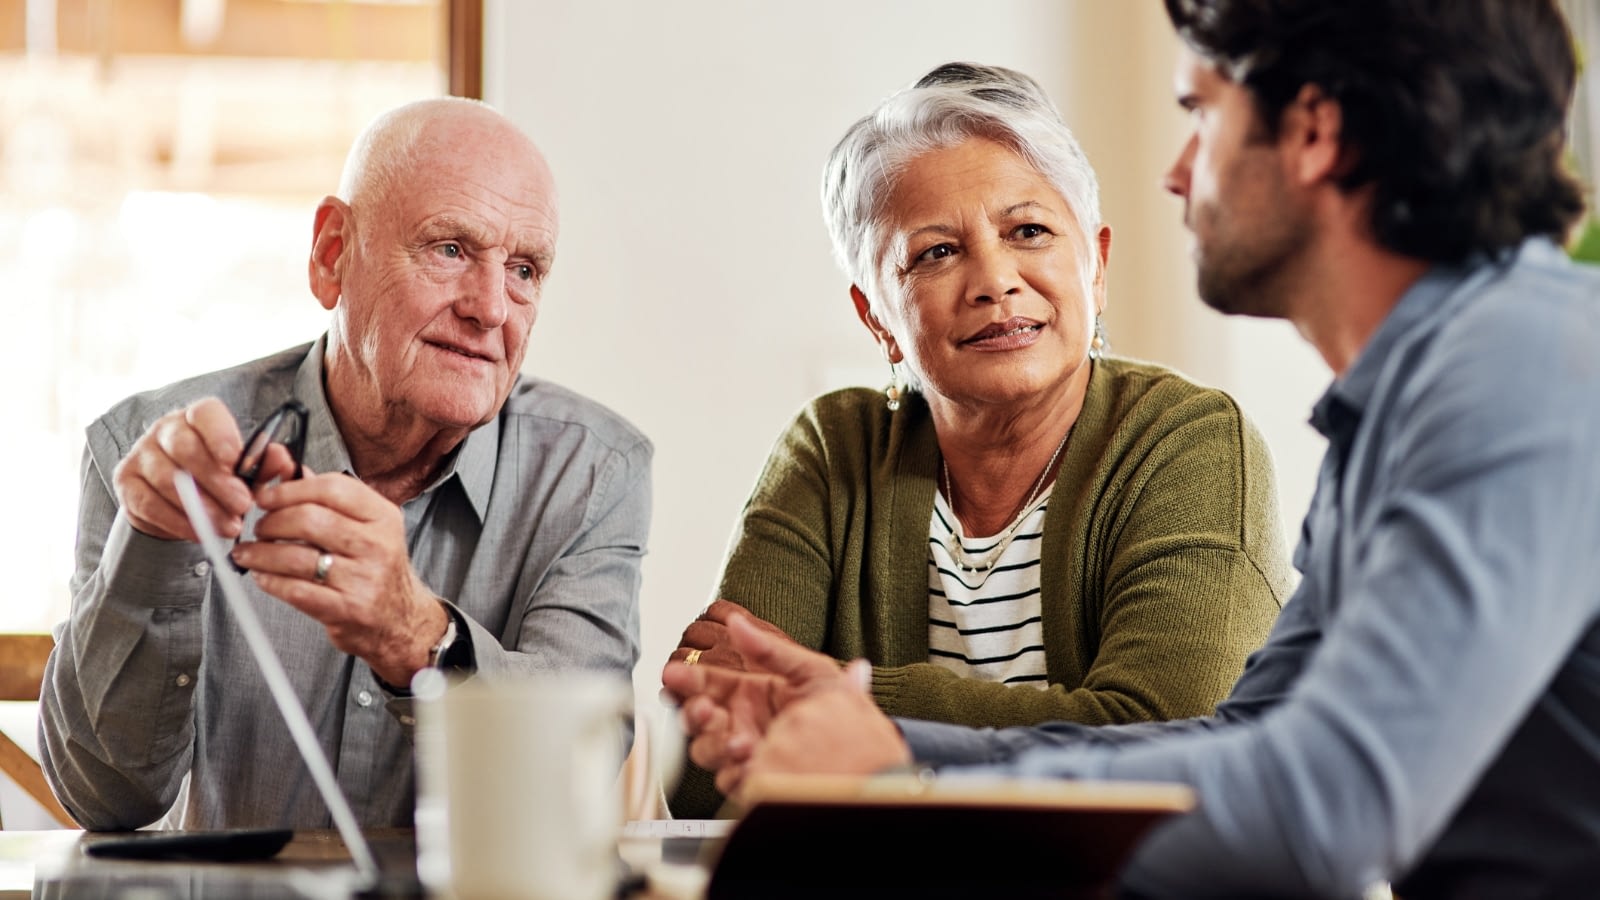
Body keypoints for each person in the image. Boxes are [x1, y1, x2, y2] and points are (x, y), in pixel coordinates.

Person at [663, 0, 1600, 896]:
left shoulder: (1523, 368)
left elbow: (1328, 809)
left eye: (1204, 114)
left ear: (1314, 132)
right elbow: (1236, 745)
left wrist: (911, 784)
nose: (1178, 172)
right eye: (936, 253)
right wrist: (900, 751)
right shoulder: (1412, 403)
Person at [663, 62, 1294, 818]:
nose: (995, 279)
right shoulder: (833, 448)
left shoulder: (1187, 441)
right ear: (876, 317)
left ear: (1095, 266)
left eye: (1028, 231)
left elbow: (1170, 743)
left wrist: (855, 702)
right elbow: (706, 768)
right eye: (936, 252)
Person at [40, 97, 653, 832]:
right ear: (333, 254)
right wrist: (153, 548)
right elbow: (103, 798)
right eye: (450, 249)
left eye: (523, 269)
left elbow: (569, 786)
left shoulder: (592, 473)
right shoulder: (150, 449)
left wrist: (417, 635)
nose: (491, 308)